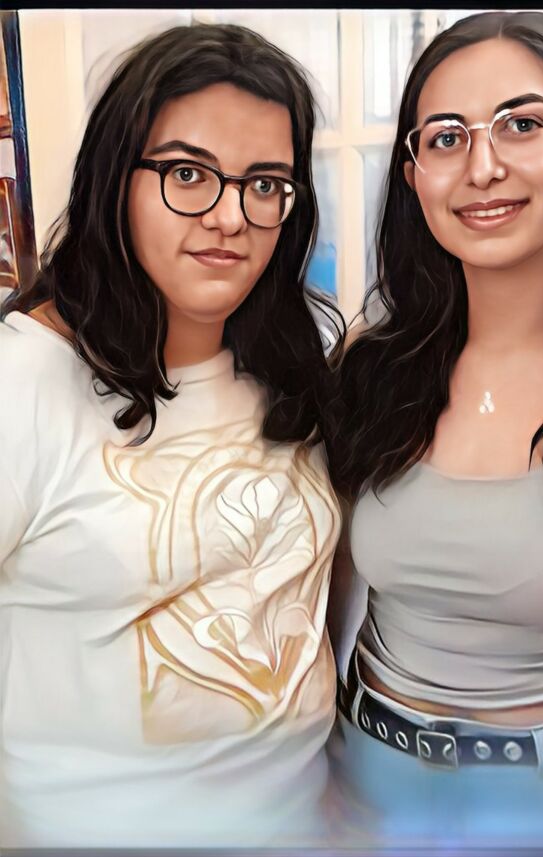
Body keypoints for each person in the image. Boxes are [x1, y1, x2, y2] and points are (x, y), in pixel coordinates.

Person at [0, 23, 343, 848]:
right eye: (188, 173)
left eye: (266, 184)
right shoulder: (23, 381)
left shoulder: (299, 360)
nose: (230, 216)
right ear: (115, 177)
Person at [327, 9, 543, 848]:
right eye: (446, 137)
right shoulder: (370, 362)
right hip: (367, 783)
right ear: (414, 174)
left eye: (522, 124)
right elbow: (328, 595)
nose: (483, 166)